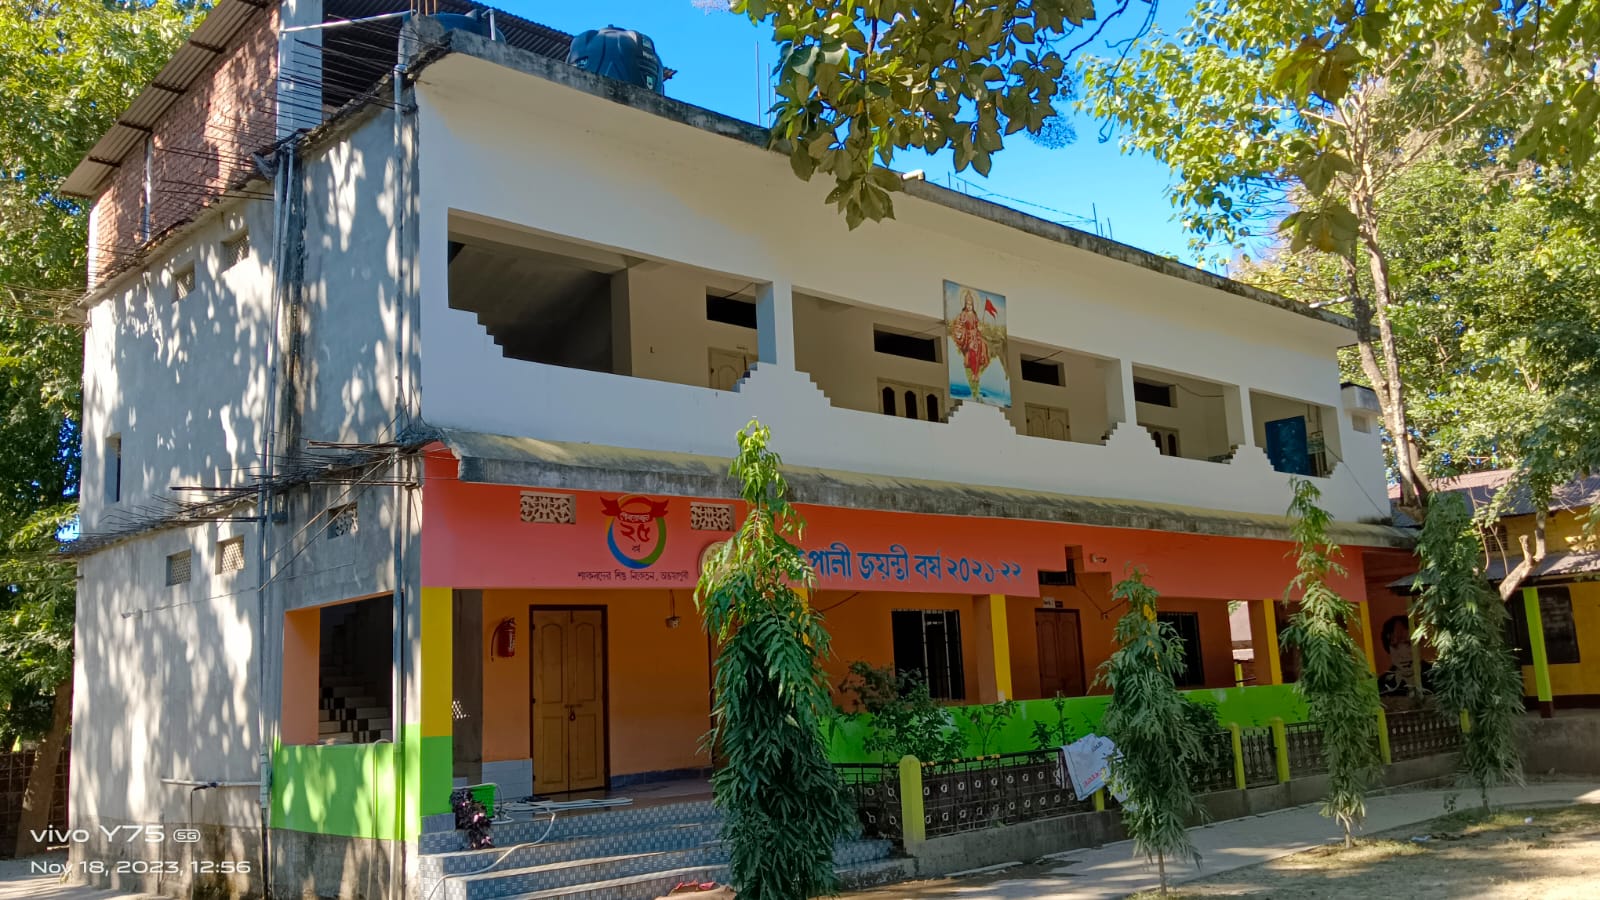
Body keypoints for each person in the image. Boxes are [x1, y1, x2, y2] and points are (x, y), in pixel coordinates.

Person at [1377, 615, 1431, 698]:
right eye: (1395, 646)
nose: (1403, 655)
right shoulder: (1382, 684)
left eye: (1409, 644)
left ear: (1420, 644)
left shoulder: (1438, 678)